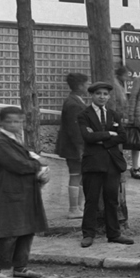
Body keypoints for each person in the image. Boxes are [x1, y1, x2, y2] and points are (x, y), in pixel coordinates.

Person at [0, 105, 48, 278]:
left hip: (25, 190)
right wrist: (39, 164)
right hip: (10, 192)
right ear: (1, 122)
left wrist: (38, 168)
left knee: (27, 230)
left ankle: (20, 267)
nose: (14, 125)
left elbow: (27, 159)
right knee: (10, 232)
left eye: (18, 121)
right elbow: (19, 165)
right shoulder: (0, 143)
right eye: (9, 121)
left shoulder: (16, 139)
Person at [72, 78, 132, 248]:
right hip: (93, 163)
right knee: (91, 199)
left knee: (111, 199)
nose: (102, 97)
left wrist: (102, 139)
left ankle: (114, 233)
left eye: (105, 94)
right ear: (91, 95)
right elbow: (87, 137)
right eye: (98, 94)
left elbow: (123, 137)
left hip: (112, 162)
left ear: (109, 96)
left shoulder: (114, 115)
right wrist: (109, 134)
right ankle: (88, 234)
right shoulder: (84, 115)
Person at [56, 72, 90, 220]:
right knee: (75, 175)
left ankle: (79, 206)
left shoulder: (75, 100)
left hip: (75, 146)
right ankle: (73, 208)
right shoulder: (73, 104)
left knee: (80, 175)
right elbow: (74, 129)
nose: (88, 86)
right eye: (86, 83)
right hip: (74, 147)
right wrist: (80, 148)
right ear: (80, 86)